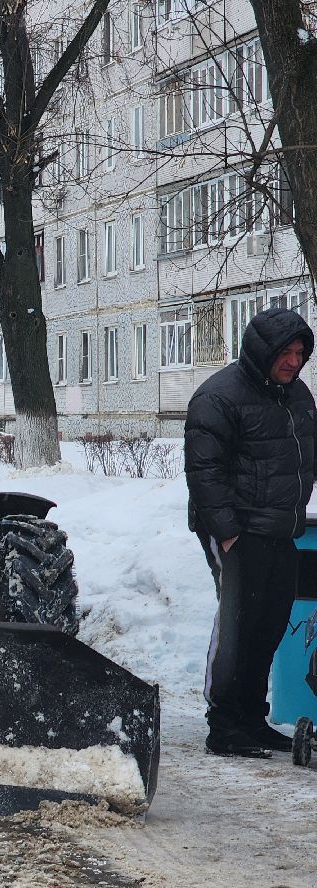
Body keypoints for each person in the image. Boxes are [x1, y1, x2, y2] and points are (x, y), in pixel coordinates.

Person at [185, 306, 317, 757]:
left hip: (280, 529)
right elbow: (204, 472)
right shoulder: (218, 396)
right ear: (264, 351)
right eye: (286, 352)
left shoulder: (298, 396)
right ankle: (224, 725)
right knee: (238, 627)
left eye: (300, 353)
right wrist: (226, 534)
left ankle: (250, 718)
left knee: (270, 624)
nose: (294, 362)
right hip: (237, 530)